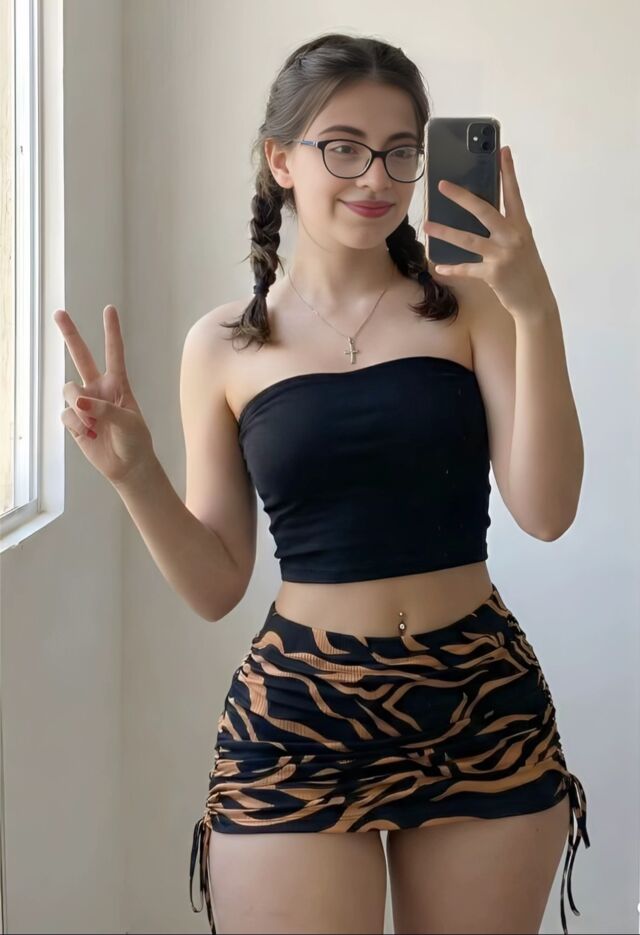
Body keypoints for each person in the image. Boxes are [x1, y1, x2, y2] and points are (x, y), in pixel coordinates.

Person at [55, 31, 589, 935]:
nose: (375, 176)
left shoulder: (474, 308)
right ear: (281, 160)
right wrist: (135, 474)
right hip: (299, 711)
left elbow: (546, 510)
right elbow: (217, 583)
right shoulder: (222, 344)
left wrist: (535, 308)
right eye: (343, 147)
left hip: (479, 702)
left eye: (401, 151)